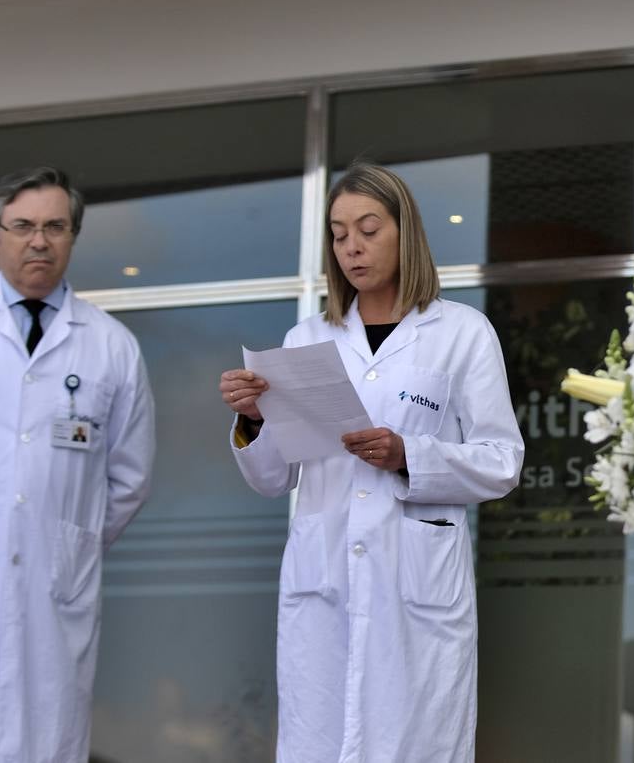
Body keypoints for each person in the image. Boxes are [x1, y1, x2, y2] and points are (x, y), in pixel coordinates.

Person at [218, 161, 524, 762]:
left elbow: (501, 461)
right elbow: (275, 477)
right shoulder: (308, 338)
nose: (352, 247)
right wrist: (254, 418)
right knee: (321, 739)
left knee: (413, 742)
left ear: (403, 232)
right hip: (324, 581)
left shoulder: (461, 333)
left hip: (416, 591)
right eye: (338, 234)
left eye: (368, 229)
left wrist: (409, 454)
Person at [0, 167, 156, 763]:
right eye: (22, 226)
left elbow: (130, 476)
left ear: (73, 236)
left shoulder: (110, 345)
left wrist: (69, 541)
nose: (38, 241)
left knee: (46, 738)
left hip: (58, 584)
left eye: (54, 226)